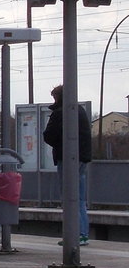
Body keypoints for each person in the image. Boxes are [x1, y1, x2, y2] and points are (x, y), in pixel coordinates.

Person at [42, 83, 92, 244]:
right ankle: (83, 233)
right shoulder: (80, 110)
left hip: (68, 158)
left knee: (69, 197)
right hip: (83, 158)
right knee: (80, 199)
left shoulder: (61, 112)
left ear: (58, 97)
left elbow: (49, 135)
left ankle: (74, 235)